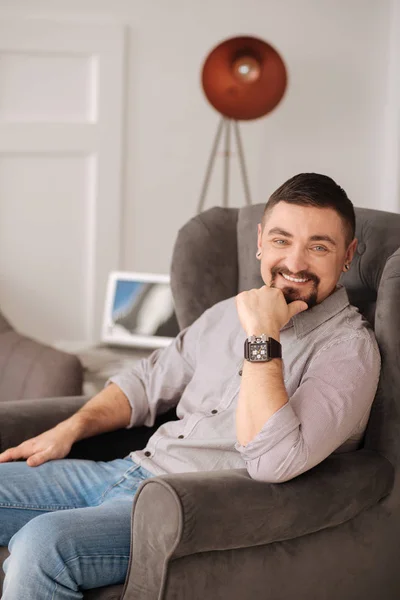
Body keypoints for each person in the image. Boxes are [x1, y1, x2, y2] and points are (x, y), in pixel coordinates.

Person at [0, 173, 380, 599]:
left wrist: (262, 336)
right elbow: (145, 382)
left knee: (42, 546)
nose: (294, 263)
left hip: (184, 510)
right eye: (280, 240)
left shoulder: (349, 350)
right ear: (260, 241)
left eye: (318, 246)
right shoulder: (224, 313)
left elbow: (274, 462)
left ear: (347, 255)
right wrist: (68, 429)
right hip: (126, 471)